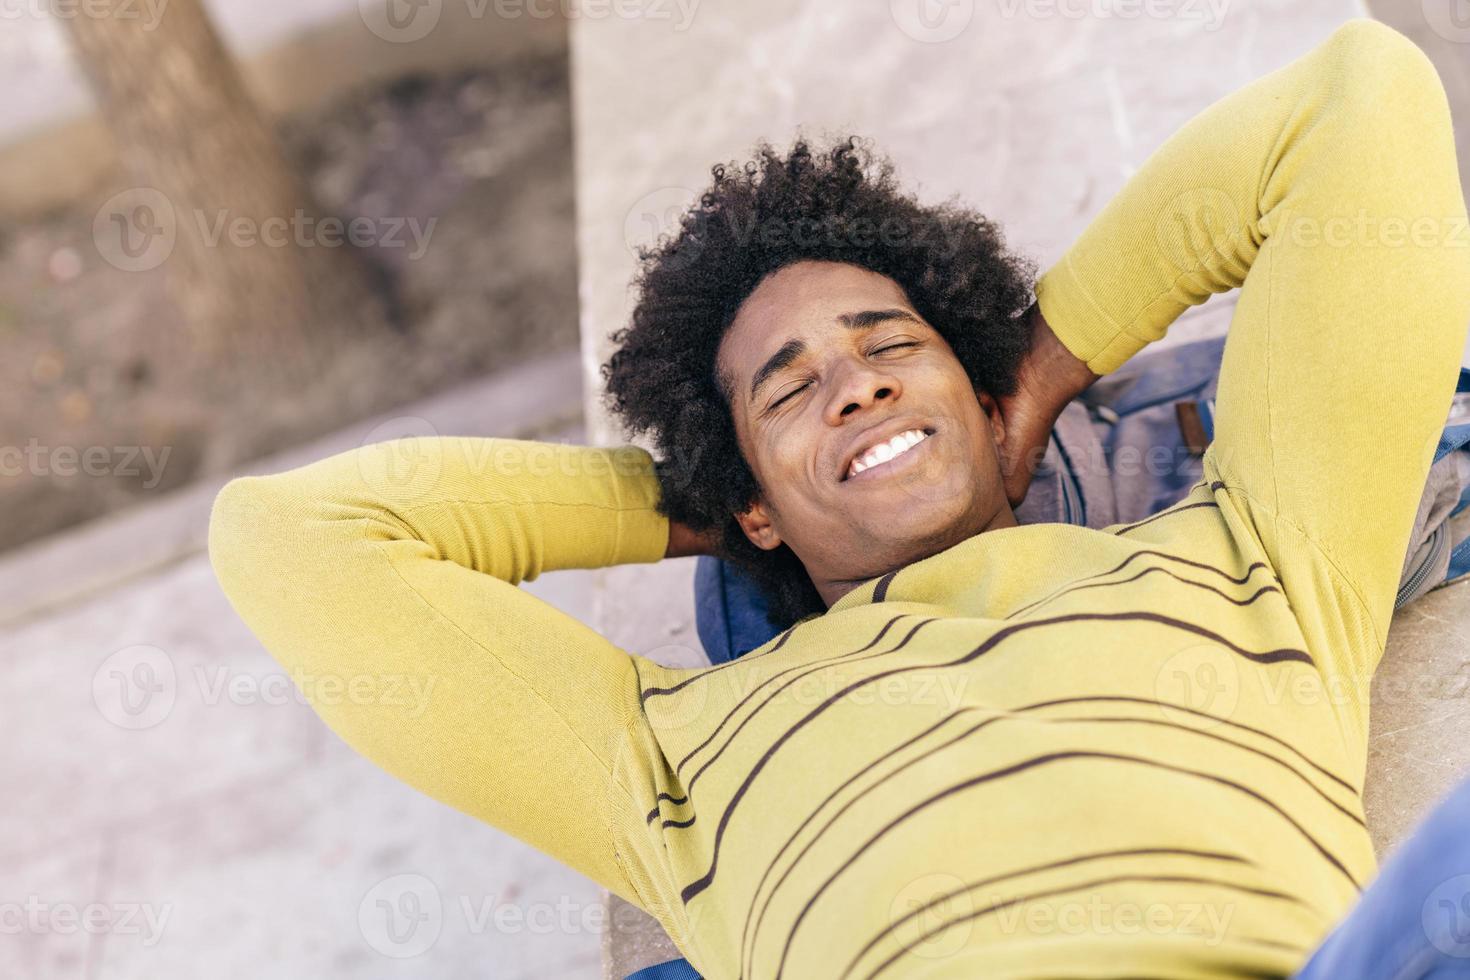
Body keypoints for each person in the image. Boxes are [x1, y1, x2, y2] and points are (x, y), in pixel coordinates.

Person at [208, 18, 1470, 978]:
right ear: (748, 505)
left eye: (890, 344)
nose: (856, 388)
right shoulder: (670, 763)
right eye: (789, 390)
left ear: (977, 393)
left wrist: (1043, 363)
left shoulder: (1251, 557)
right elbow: (294, 538)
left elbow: (1356, 98)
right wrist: (700, 496)